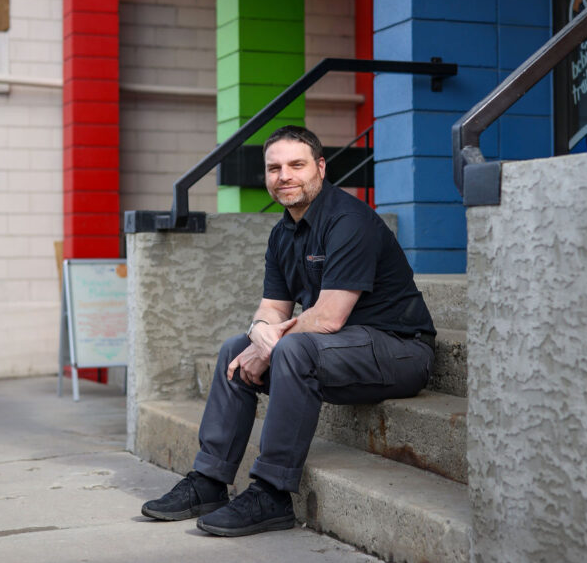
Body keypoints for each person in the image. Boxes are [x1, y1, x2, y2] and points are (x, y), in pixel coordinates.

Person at [142, 125, 436, 537]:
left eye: (296, 165)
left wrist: (270, 344)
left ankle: (273, 493)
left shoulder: (349, 221)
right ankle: (208, 481)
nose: (284, 176)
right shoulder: (282, 233)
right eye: (274, 168)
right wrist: (258, 333)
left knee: (292, 351)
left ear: (320, 167)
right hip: (339, 350)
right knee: (233, 350)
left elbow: (330, 317)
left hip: (399, 349)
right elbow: (270, 309)